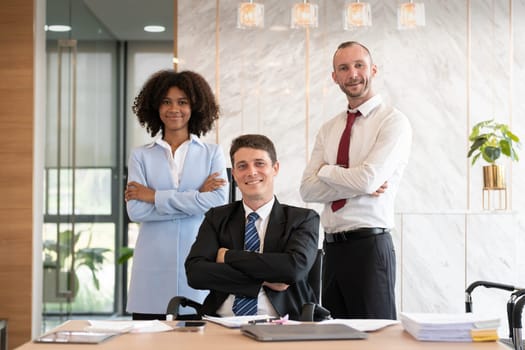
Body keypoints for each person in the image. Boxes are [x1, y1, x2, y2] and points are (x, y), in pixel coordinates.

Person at [300, 41, 412, 320]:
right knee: (336, 337)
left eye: (359, 65)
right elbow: (307, 189)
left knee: (375, 339)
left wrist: (327, 170)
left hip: (370, 248)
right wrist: (354, 178)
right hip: (332, 250)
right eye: (344, 68)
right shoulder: (329, 128)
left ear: (372, 69)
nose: (352, 73)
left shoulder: (393, 122)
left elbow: (366, 179)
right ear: (334, 76)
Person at [125, 69, 228, 320]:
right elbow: (135, 210)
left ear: (195, 107)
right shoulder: (141, 155)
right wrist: (195, 197)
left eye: (182, 102)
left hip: (198, 261)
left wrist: (154, 196)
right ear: (155, 106)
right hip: (152, 265)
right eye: (166, 101)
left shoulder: (212, 153)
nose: (174, 109)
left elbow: (216, 203)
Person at [185, 134, 320, 320]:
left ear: (275, 168)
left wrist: (227, 256)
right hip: (220, 322)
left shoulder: (303, 219)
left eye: (259, 163)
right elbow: (195, 273)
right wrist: (264, 278)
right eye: (242, 166)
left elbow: (292, 270)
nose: (251, 172)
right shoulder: (217, 217)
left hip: (281, 324)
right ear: (234, 174)